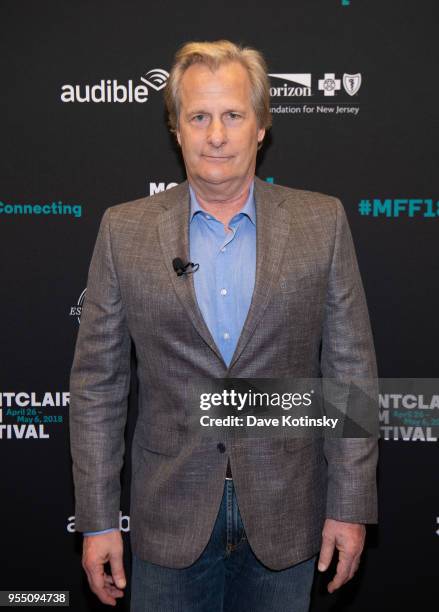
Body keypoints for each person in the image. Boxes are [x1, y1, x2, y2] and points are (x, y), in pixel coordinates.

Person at [69, 40, 378, 611]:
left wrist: (351, 504)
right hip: (168, 519)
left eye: (234, 115)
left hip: (287, 516)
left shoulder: (322, 222)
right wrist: (96, 521)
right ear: (177, 130)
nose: (217, 135)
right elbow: (97, 387)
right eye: (199, 117)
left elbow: (351, 375)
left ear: (260, 126)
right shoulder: (123, 232)